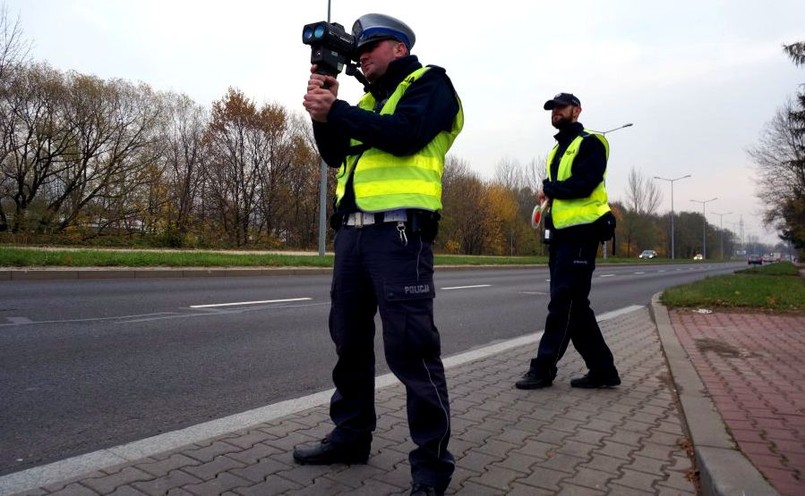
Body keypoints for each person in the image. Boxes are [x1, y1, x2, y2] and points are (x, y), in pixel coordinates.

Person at [293, 13, 463, 496]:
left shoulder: (431, 84)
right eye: (359, 50)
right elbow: (334, 154)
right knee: (348, 341)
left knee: (412, 350)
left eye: (372, 47)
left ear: (400, 49)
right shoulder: (366, 102)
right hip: (352, 233)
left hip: (399, 235)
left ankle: (431, 469)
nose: (362, 56)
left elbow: (406, 134)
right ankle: (350, 435)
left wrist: (339, 110)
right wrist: (322, 113)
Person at [515, 92, 621, 391]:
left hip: (583, 232)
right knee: (576, 306)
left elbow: (586, 183)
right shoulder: (555, 151)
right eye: (552, 109)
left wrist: (552, 188)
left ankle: (543, 368)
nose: (555, 112)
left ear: (577, 110)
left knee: (563, 303)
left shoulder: (591, 142)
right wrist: (548, 198)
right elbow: (562, 189)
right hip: (562, 234)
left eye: (561, 107)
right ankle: (603, 370)